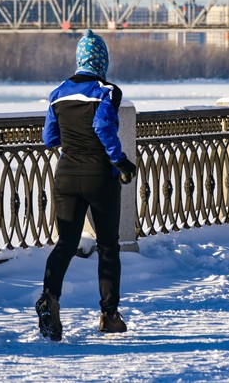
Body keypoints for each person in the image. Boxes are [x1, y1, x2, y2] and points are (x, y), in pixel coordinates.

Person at [36, 29, 137, 341]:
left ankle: (49, 298)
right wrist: (120, 161)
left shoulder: (58, 93)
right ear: (102, 60)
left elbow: (49, 138)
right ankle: (109, 315)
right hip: (99, 176)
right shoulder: (107, 91)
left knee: (65, 243)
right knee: (108, 246)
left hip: (65, 176)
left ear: (79, 60)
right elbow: (102, 125)